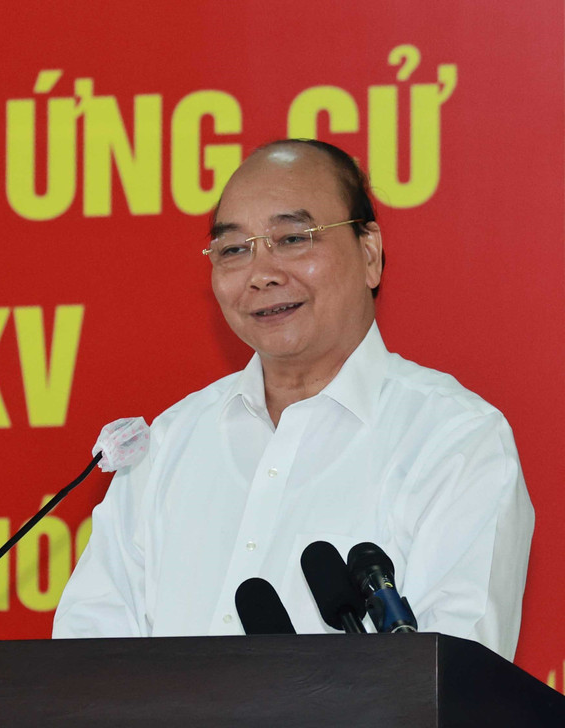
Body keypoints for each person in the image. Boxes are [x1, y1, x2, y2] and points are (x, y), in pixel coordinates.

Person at [52, 139, 534, 661]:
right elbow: (86, 671)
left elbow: (452, 686)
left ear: (369, 252)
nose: (261, 273)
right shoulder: (169, 445)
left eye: (293, 238)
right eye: (234, 249)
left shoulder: (454, 440)